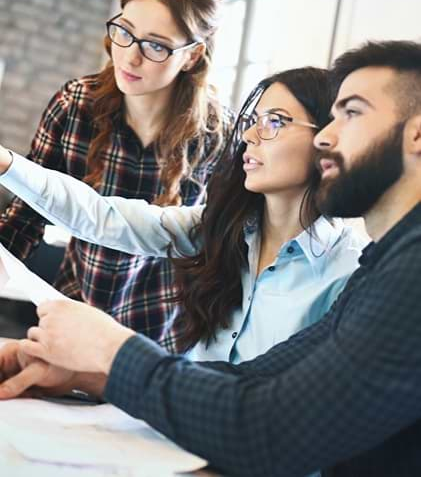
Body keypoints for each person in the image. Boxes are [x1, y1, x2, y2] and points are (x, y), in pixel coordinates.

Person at [1, 39, 421, 477]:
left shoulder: (395, 273)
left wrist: (112, 348)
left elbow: (269, 428)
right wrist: (92, 374)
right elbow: (256, 380)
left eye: (351, 113)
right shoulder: (383, 265)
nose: (328, 138)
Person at [0, 67, 366, 364]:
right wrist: (8, 163)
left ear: (328, 138)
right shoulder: (220, 228)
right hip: (177, 437)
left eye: (275, 121)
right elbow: (100, 216)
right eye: (254, 120)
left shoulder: (346, 273)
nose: (251, 135)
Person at [0, 0, 234, 351]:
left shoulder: (218, 136)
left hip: (166, 335)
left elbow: (219, 251)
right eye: (125, 32)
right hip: (75, 316)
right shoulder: (76, 105)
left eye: (156, 45)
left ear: (192, 56)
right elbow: (25, 217)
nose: (129, 57)